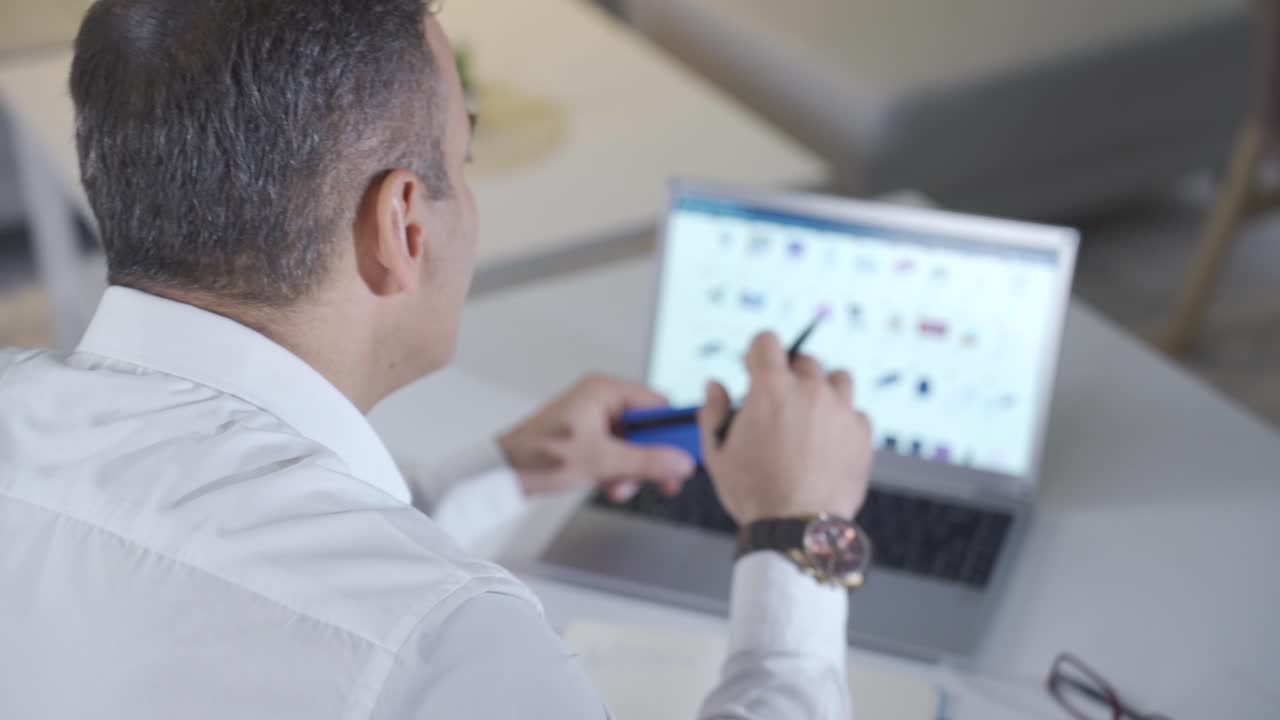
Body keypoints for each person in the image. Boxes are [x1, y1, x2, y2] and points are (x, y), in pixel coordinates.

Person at [0, 1, 873, 718]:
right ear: (404, 225)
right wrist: (800, 539)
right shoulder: (452, 647)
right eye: (465, 156)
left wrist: (502, 473)